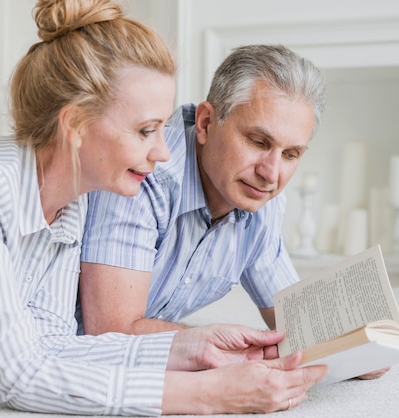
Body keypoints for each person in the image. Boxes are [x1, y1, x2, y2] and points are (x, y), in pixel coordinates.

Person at [0, 0, 328, 415]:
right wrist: (208, 393)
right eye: (146, 130)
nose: (164, 153)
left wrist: (198, 347)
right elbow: (14, 373)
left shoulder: (72, 207)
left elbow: (51, 345)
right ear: (75, 123)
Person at [78, 44, 325, 336]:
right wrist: (231, 349)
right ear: (205, 123)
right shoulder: (144, 173)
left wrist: (359, 343)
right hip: (65, 366)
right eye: (258, 142)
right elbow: (111, 332)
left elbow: (299, 323)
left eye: (290, 155)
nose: (271, 174)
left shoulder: (261, 199)